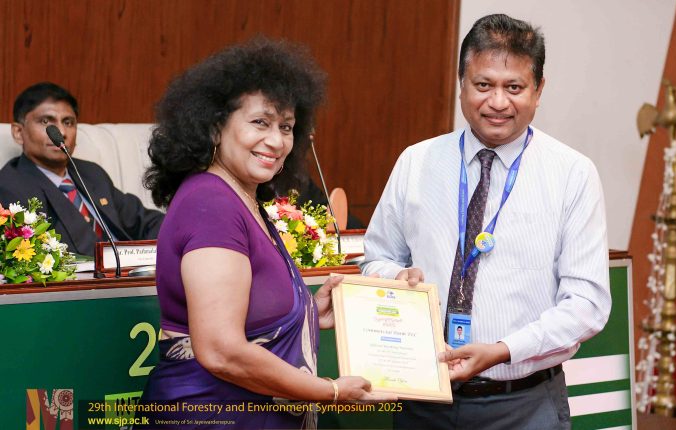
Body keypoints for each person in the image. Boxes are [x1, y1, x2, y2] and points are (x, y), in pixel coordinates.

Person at [361, 14, 611, 430]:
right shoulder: (416, 161)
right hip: (423, 401)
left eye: (514, 87)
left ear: (538, 90)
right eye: (483, 85)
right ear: (461, 84)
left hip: (525, 405)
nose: (497, 102)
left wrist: (503, 349)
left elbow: (587, 304)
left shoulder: (572, 174)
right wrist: (396, 278)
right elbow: (376, 260)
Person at [137, 38, 393, 429]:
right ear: (214, 125)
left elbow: (248, 315)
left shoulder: (243, 199)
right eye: (260, 122)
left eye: (286, 127)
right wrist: (330, 391)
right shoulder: (211, 204)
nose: (276, 141)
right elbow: (221, 351)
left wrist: (306, 311)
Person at [0, 82, 164, 256]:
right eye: (46, 121)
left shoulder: (91, 172)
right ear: (18, 132)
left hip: (137, 267)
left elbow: (144, 220)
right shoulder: (10, 186)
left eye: (68, 122)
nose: (61, 132)